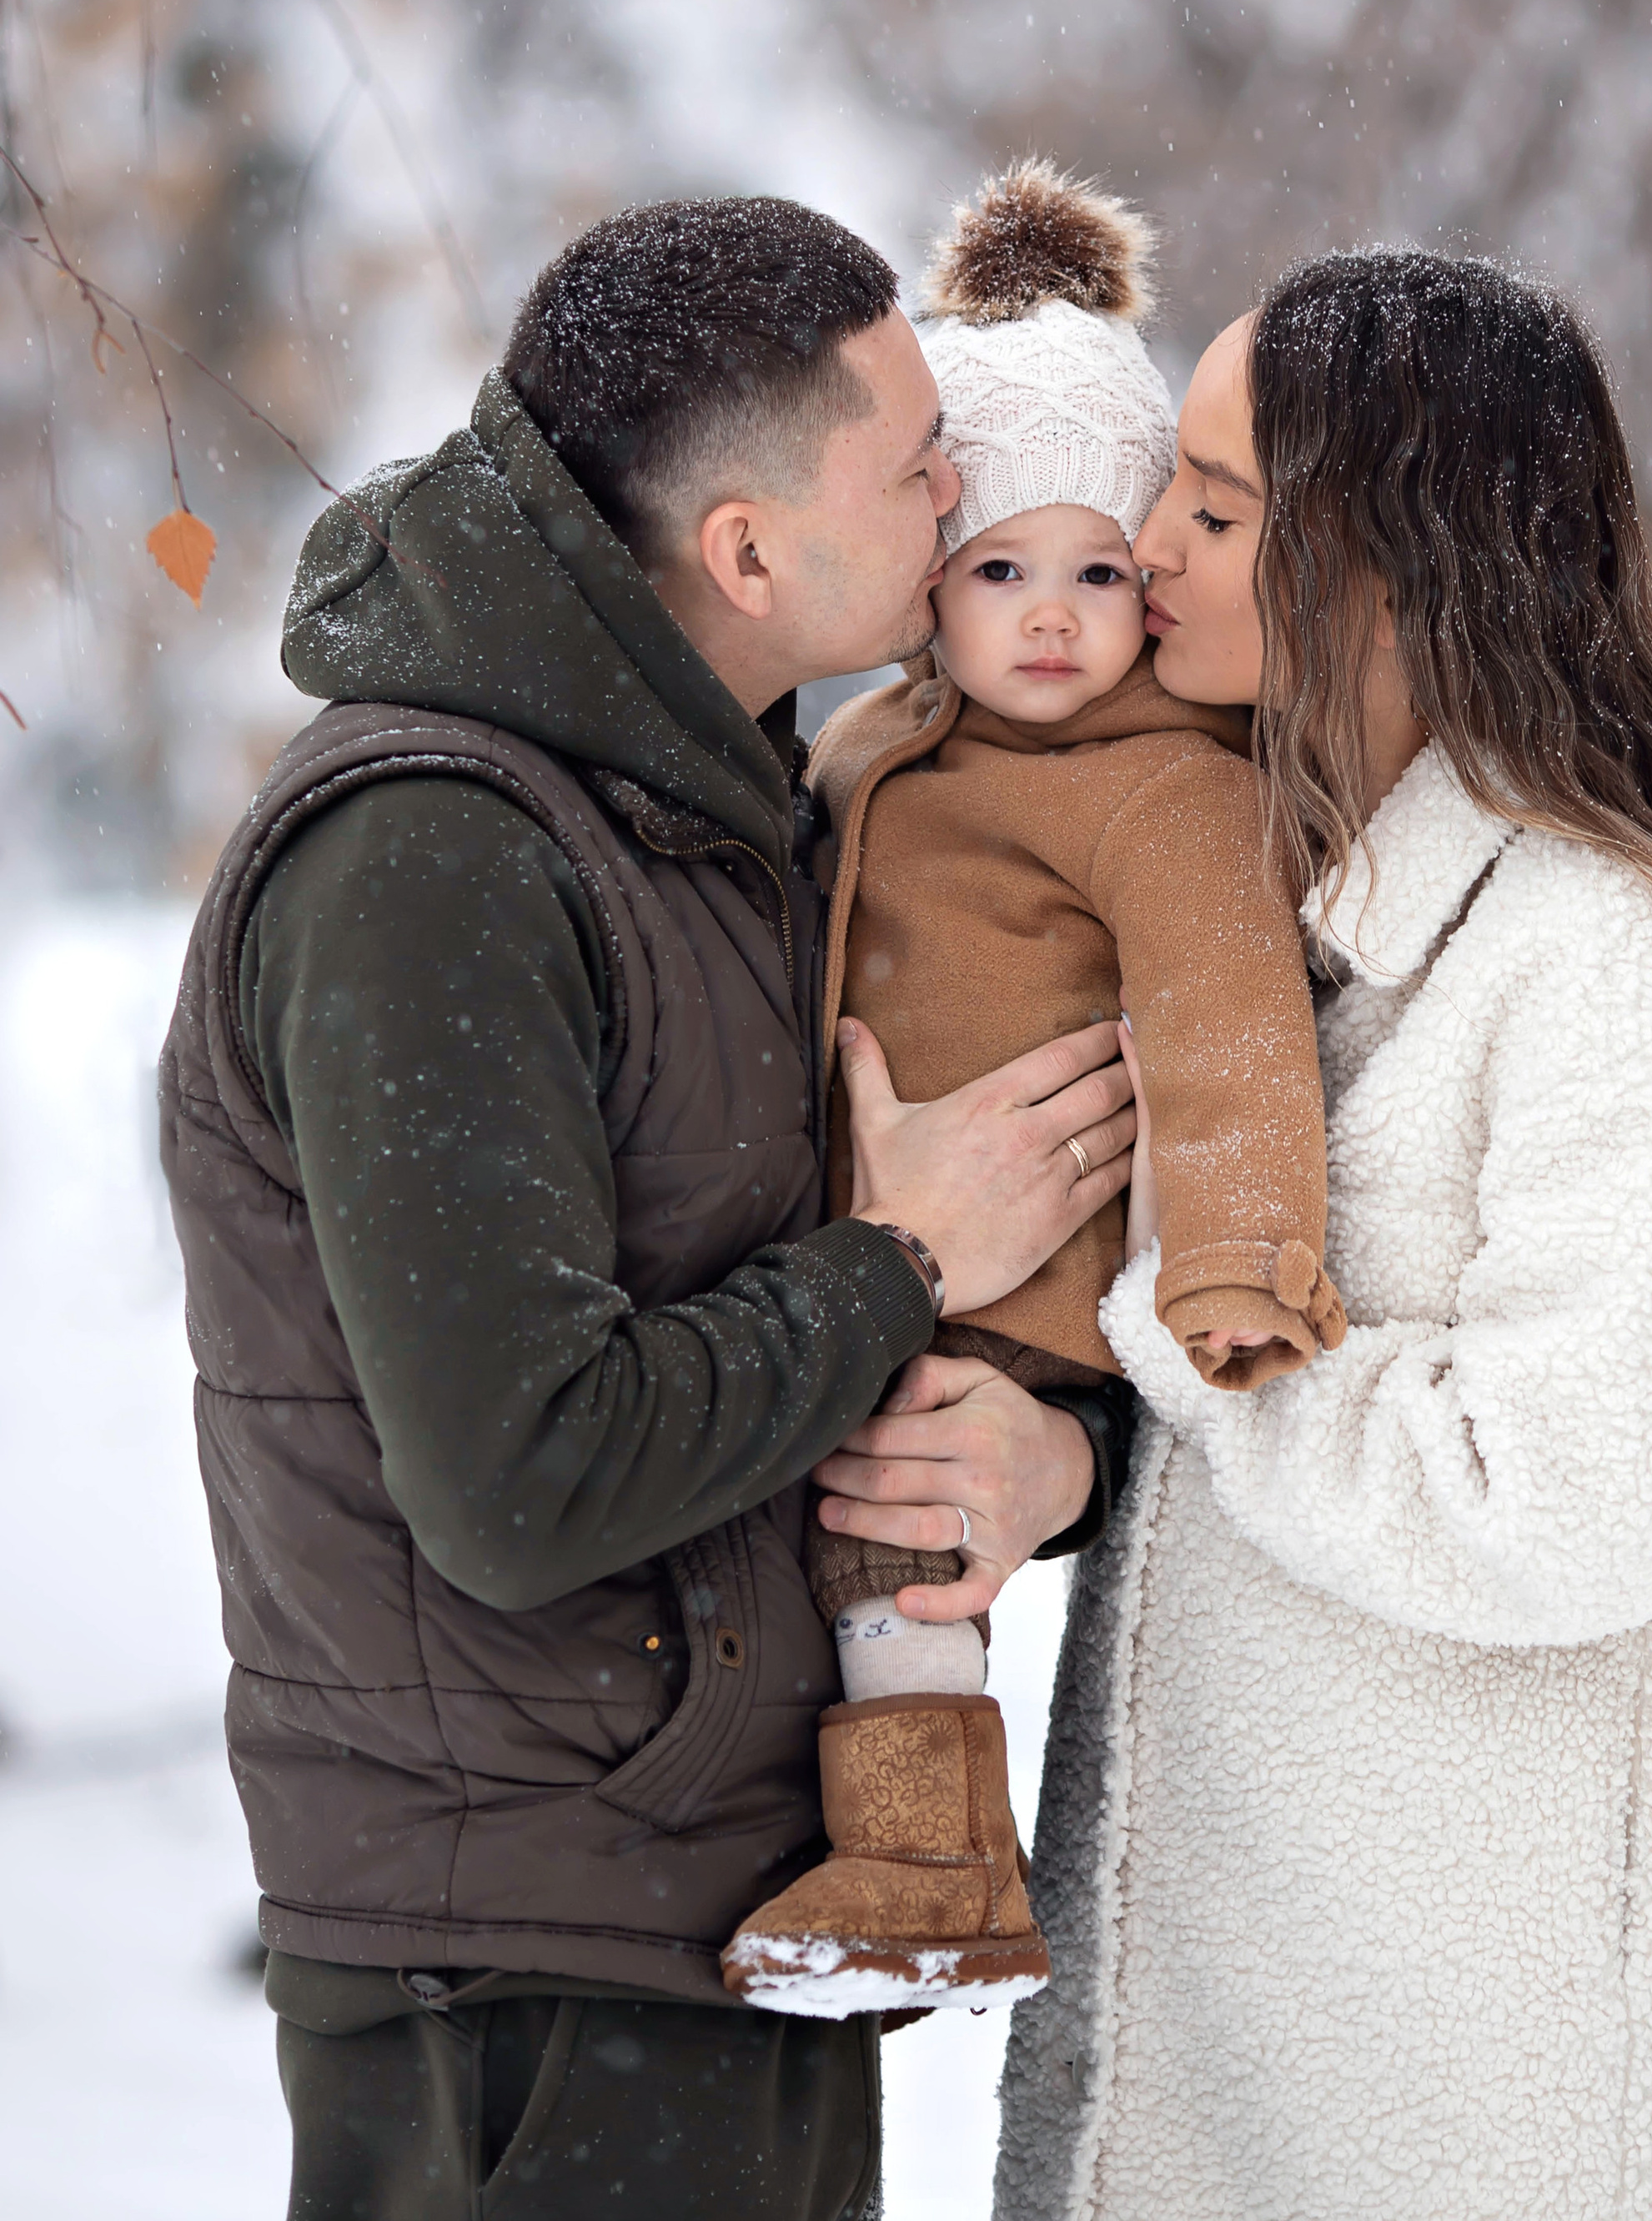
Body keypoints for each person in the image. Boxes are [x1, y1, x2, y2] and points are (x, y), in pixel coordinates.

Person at [158, 195, 1141, 2221]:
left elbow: (798, 1340)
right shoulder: (430, 857)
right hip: (511, 1987)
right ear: (747, 549)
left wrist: (1049, 1446)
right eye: (916, 459)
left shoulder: (730, 819)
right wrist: (900, 1261)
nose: (964, 487)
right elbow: (523, 1474)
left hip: (711, 1929)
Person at [995, 249, 1652, 2221]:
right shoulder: (1306, 936)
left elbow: (1584, 1487)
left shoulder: (1592, 964)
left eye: (1214, 509)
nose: (1147, 548)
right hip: (1289, 2077)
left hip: (1492, 2123)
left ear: (1392, 564)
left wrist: (1190, 1324)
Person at [724, 163, 1339, 2017]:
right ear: (934, 584)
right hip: (872, 1254)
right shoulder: (872, 745)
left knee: (905, 1542)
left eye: (1097, 570)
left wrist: (1239, 1258)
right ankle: (908, 1864)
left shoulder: (1166, 786)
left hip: (1020, 1283)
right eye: (1002, 569)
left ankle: (927, 1878)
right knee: (842, 1540)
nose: (1055, 617)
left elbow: (1229, 1030)